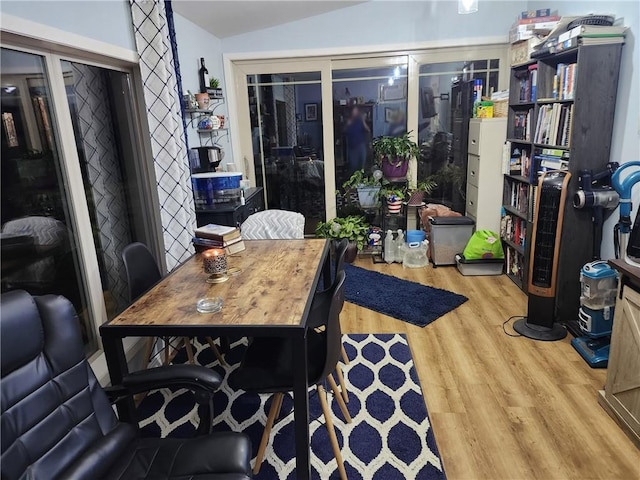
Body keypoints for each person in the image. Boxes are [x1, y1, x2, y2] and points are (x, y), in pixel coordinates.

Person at [344, 106, 370, 173]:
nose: (354, 112)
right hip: (352, 147)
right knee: (353, 166)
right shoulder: (348, 121)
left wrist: (363, 121)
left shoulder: (360, 121)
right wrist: (347, 124)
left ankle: (361, 180)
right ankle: (353, 180)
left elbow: (368, 130)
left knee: (361, 165)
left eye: (355, 111)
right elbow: (344, 131)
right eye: (353, 111)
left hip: (361, 145)